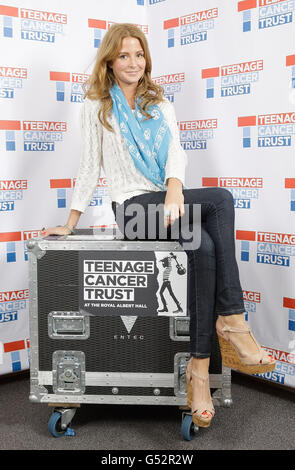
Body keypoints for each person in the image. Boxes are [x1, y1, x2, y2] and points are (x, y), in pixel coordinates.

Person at [41, 23, 276, 428]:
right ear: (110, 62)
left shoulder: (159, 104)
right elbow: (87, 168)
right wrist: (70, 222)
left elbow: (176, 155)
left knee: (202, 244)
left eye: (140, 54)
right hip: (132, 213)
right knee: (220, 200)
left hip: (164, 208)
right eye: (124, 55)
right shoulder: (98, 107)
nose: (134, 62)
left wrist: (173, 190)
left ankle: (198, 374)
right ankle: (232, 320)